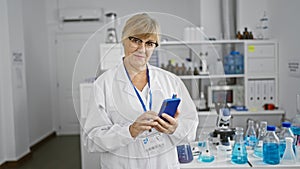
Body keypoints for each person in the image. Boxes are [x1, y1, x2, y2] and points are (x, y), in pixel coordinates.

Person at [83, 13, 198, 169]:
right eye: (136, 40)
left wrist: (175, 129)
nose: (142, 49)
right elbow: (91, 140)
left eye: (150, 43)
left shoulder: (171, 81)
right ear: (123, 40)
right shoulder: (103, 84)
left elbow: (191, 125)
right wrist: (130, 131)